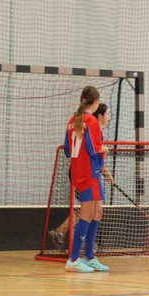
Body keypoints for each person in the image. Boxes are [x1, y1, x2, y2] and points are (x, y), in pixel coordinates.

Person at [49, 103, 113, 248]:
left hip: (85, 171)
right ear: (100, 115)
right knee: (89, 209)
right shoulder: (92, 128)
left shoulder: (94, 129)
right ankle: (72, 238)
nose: (109, 118)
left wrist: (104, 171)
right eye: (107, 114)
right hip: (83, 172)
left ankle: (83, 241)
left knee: (95, 210)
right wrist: (103, 160)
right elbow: (91, 153)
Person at [61, 87, 110, 273]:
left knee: (97, 212)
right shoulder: (90, 121)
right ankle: (73, 259)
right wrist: (104, 149)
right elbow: (93, 148)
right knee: (87, 214)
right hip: (89, 171)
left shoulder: (72, 120)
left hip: (80, 170)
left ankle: (89, 256)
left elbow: (67, 149)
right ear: (96, 102)